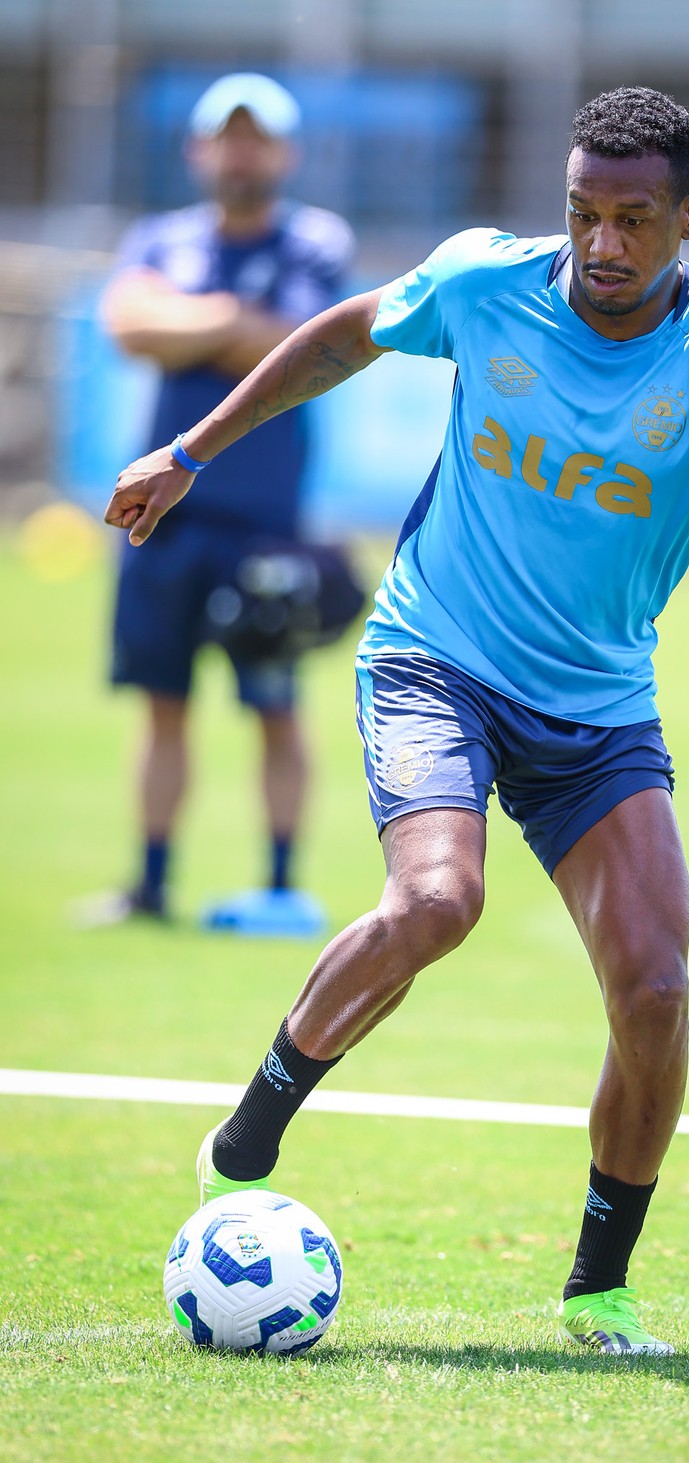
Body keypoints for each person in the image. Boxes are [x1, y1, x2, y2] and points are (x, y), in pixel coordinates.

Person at [105, 87, 689, 1355]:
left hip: (598, 707)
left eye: (634, 220)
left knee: (655, 988)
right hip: (435, 658)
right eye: (583, 214)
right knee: (439, 900)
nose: (602, 245)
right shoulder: (487, 284)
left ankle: (599, 1291)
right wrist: (192, 452)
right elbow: (341, 337)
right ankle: (261, 1116)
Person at [93, 73, 356, 928]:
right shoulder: (157, 238)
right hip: (159, 522)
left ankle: (280, 887)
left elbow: (302, 346)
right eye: (228, 135)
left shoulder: (316, 242)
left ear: (286, 151)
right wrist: (235, 321)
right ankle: (150, 885)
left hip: (262, 526)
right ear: (199, 149)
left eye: (258, 137)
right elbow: (129, 325)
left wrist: (189, 325)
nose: (242, 151)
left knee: (275, 711)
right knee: (161, 706)